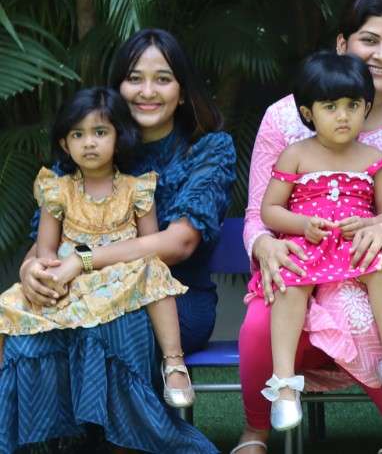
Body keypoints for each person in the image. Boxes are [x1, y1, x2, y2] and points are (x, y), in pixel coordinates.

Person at [3, 29, 235, 450]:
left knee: (107, 322)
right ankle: (52, 441)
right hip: (81, 287)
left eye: (163, 78)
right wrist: (32, 269)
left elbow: (180, 242)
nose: (147, 91)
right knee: (32, 323)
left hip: (173, 299)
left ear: (182, 91)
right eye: (134, 78)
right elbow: (47, 238)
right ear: (116, 88)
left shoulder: (207, 148)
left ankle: (126, 442)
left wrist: (86, 260)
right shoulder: (85, 143)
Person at [236, 0, 382, 454]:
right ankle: (255, 430)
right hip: (296, 254)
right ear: (342, 44)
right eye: (370, 40)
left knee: (355, 309)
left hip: (371, 265)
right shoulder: (284, 119)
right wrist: (264, 245)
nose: (381, 55)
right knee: (257, 324)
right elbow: (258, 212)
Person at [258, 53, 382, 430]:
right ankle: (284, 384)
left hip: (354, 245)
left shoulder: (373, 158)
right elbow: (269, 210)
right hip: (308, 245)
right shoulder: (295, 155)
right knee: (290, 286)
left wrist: (369, 224)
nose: (343, 115)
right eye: (330, 107)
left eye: (352, 105)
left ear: (366, 107)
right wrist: (302, 224)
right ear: (308, 112)